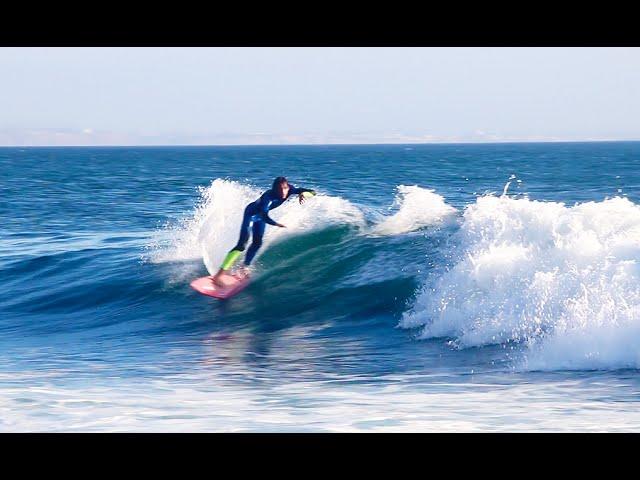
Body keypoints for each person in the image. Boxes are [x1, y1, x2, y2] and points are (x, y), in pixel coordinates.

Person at [211, 177, 316, 287]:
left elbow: (312, 192)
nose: (283, 192)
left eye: (284, 188)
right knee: (242, 244)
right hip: (251, 215)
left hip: (260, 218)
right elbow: (264, 216)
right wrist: (275, 224)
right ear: (274, 190)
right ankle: (218, 276)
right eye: (280, 190)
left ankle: (244, 267)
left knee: (257, 243)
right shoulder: (268, 198)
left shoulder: (290, 189)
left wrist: (303, 194)